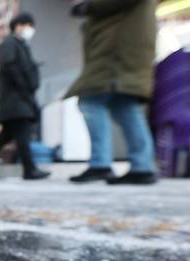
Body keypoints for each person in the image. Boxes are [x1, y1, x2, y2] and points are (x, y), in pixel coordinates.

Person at [68, 0, 158, 185]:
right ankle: (142, 165)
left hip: (116, 50)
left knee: (90, 100)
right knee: (123, 105)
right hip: (124, 47)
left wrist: (89, 6)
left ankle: (101, 163)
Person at [0, 13, 50, 181]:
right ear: (19, 25)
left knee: (6, 136)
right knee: (22, 135)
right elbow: (10, 66)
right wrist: (24, 86)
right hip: (15, 99)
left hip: (19, 99)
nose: (31, 30)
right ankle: (30, 169)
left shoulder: (21, 45)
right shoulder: (10, 43)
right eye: (29, 25)